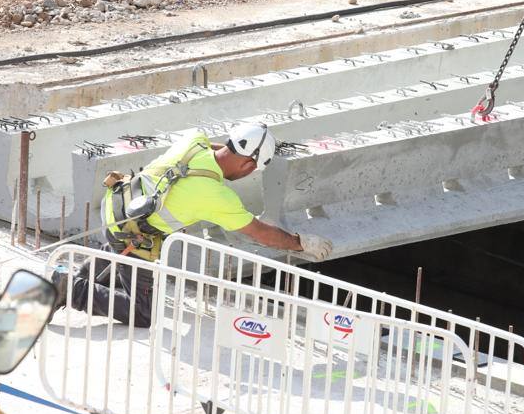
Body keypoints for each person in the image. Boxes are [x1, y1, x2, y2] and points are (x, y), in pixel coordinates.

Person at [60, 122, 332, 327]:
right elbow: (260, 233)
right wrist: (300, 243)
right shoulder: (218, 197)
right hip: (133, 232)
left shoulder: (194, 140)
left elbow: (216, 148)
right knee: (142, 311)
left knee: (119, 256)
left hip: (118, 202)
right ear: (249, 164)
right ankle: (69, 287)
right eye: (254, 169)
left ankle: (77, 279)